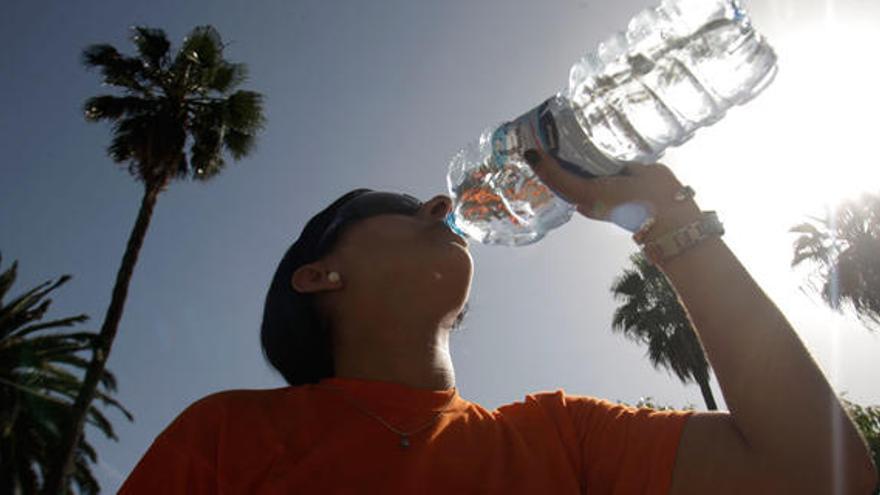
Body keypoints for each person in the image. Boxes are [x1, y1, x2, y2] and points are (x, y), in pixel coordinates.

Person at [119, 150, 877, 494]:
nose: (439, 205)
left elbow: (818, 475)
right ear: (319, 274)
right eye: (397, 209)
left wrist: (669, 218)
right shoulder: (228, 435)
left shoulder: (562, 436)